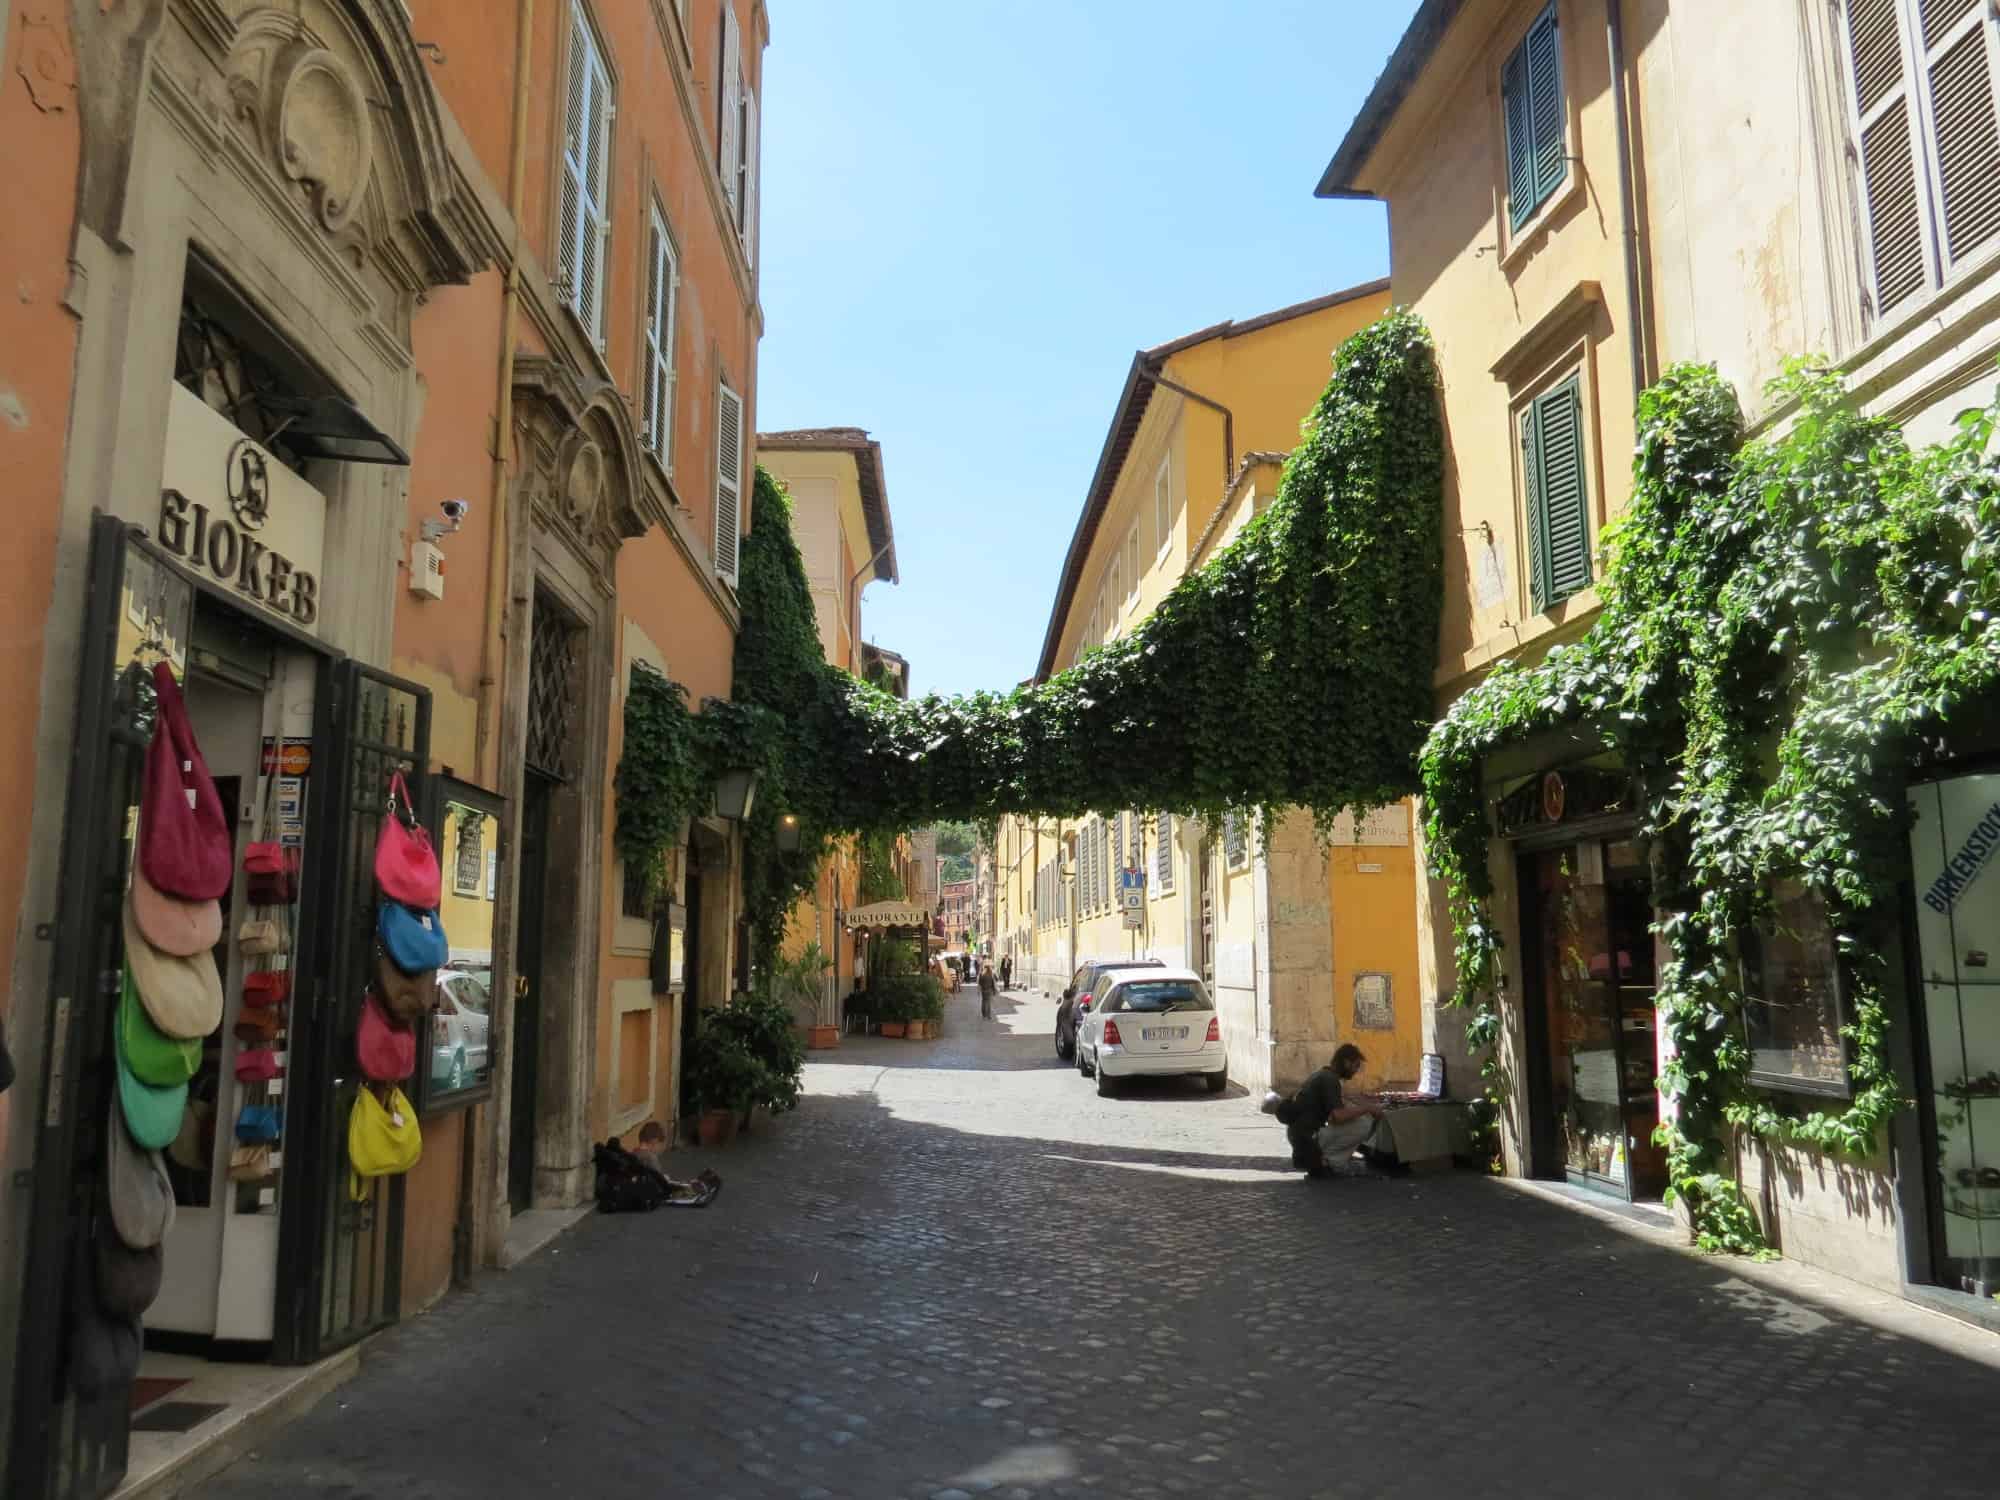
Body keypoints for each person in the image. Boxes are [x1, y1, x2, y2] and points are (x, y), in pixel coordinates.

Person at [1283, 1044, 1394, 1178]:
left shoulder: (1322, 1074)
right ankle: (1331, 1162)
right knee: (1363, 1123)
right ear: (1346, 1063)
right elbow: (1338, 1116)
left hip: (1300, 1135)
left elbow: (1335, 1112)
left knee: (1358, 1117)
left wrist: (1362, 1105)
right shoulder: (1330, 1080)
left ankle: (1326, 1159)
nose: (1356, 1071)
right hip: (1307, 1137)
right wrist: (1367, 1108)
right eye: (1356, 1066)